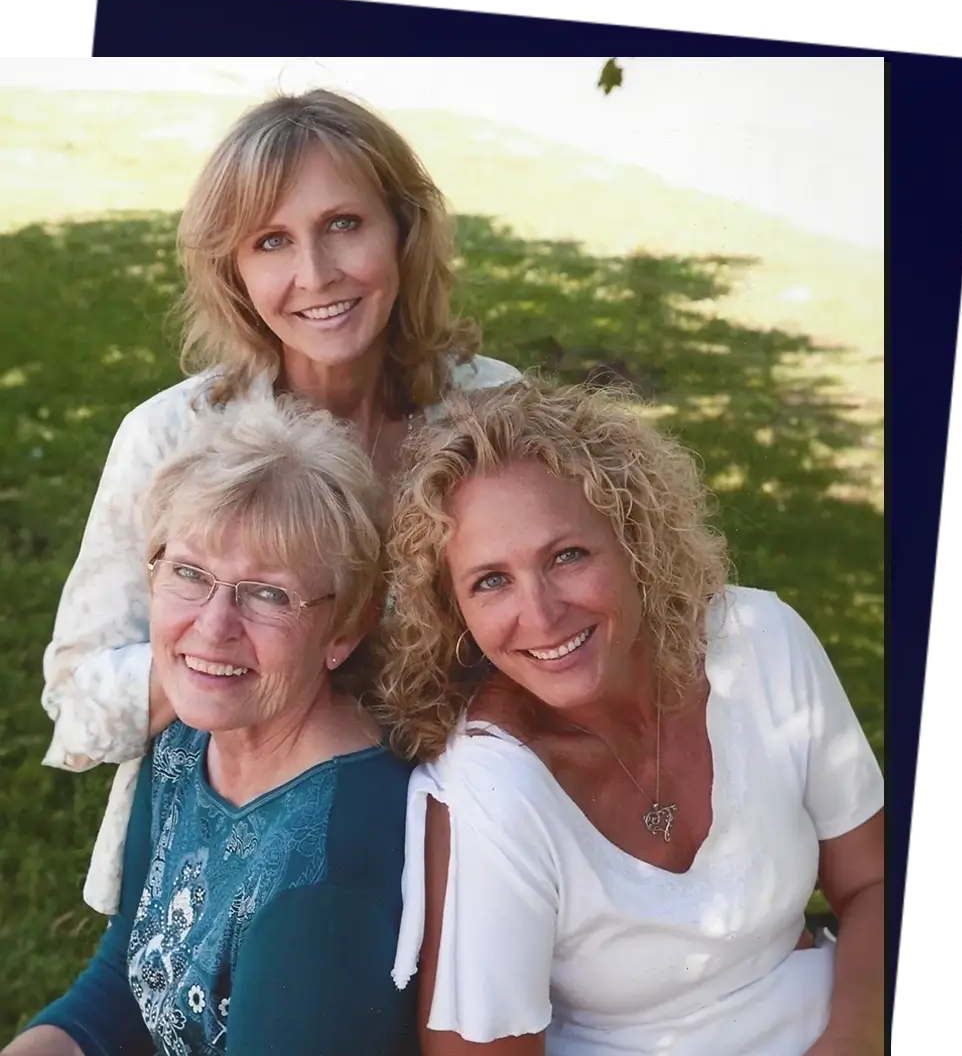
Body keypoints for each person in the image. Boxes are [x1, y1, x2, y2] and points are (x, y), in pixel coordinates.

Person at [38, 87, 520, 915]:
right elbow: (76, 698)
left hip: (457, 846)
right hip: (219, 865)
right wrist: (219, 652)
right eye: (271, 242)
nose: (315, 275)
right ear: (234, 271)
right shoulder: (172, 438)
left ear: (403, 230)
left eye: (343, 224)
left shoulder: (494, 413)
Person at [379, 379, 885, 1056]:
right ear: (456, 612)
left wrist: (852, 1036)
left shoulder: (761, 644)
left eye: (566, 556)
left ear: (633, 542)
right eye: (490, 581)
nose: (541, 614)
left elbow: (873, 881)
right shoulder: (492, 788)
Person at [5, 397, 417, 1056]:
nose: (213, 626)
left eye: (268, 593)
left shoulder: (329, 872)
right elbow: (125, 985)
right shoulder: (189, 736)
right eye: (190, 574)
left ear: (345, 628)